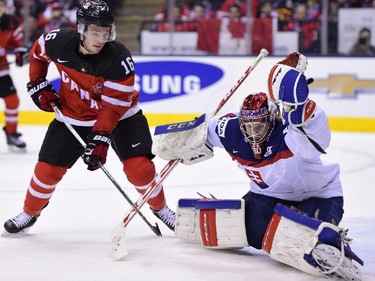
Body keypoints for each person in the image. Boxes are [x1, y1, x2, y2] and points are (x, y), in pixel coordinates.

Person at [152, 52, 363, 279]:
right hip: (267, 197)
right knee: (245, 232)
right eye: (248, 125)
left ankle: (328, 233)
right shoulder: (229, 129)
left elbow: (314, 135)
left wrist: (294, 99)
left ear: (271, 119)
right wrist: (174, 142)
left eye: (259, 125)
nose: (253, 131)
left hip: (317, 195)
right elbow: (200, 131)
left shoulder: (291, 135)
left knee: (306, 238)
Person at [3, 0, 176, 235]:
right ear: (81, 29)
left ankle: (161, 209)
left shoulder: (119, 59)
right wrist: (37, 82)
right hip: (74, 116)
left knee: (140, 169)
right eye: (95, 32)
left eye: (106, 33)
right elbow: (38, 53)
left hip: (122, 117)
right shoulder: (58, 42)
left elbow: (113, 108)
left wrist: (100, 138)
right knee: (46, 170)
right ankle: (29, 213)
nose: (100, 39)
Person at [0, 0, 28, 150]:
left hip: (2, 72)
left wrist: (20, 52)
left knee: (12, 101)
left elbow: (17, 42)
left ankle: (11, 134)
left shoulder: (10, 21)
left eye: (1, 5)